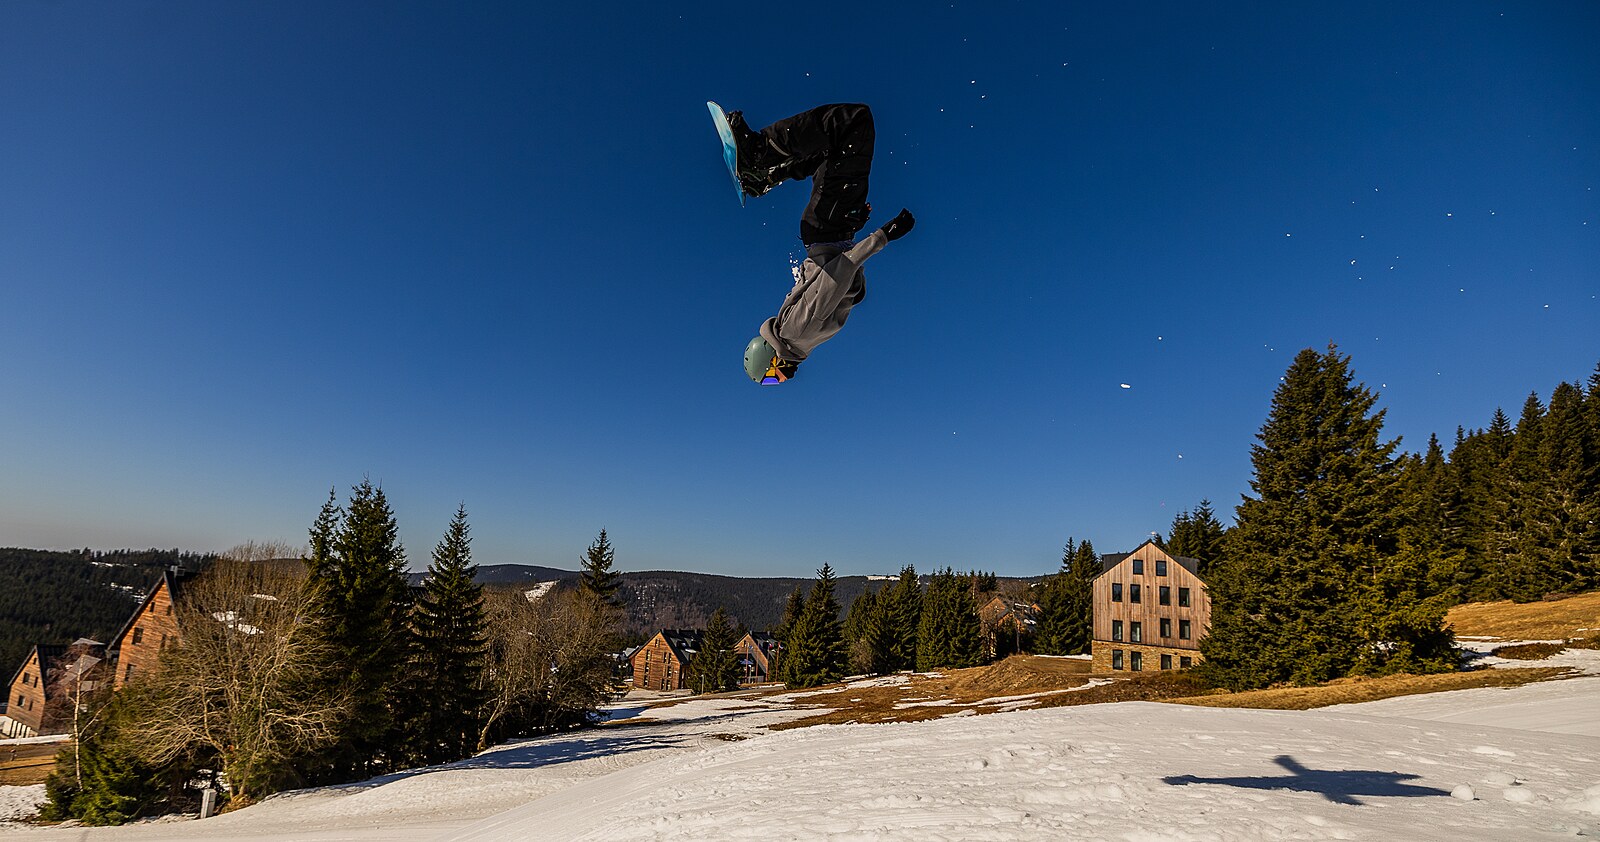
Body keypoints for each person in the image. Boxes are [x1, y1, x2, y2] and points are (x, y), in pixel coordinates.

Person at [724, 103, 916, 385]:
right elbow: (827, 276)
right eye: (773, 383)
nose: (781, 381)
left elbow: (834, 276)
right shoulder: (801, 342)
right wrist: (852, 225)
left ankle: (758, 154)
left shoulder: (795, 335)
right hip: (833, 229)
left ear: (770, 358)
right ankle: (766, 176)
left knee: (852, 124)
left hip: (828, 229)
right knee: (832, 148)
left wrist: (883, 236)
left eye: (771, 378)